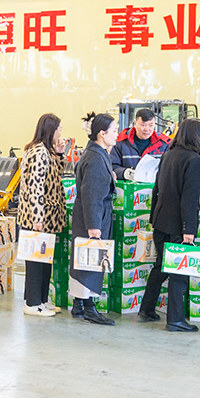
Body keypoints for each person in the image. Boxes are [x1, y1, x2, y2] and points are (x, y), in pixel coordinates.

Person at [140, 119, 200, 333]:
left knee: (161, 266)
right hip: (179, 224)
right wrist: (189, 229)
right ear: (195, 136)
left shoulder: (168, 155)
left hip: (161, 220)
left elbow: (156, 189)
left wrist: (153, 218)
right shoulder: (194, 159)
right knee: (179, 272)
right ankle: (175, 319)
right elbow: (190, 197)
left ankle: (146, 309)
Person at [69, 112, 119, 326]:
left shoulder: (95, 153)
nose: (117, 135)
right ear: (102, 134)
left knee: (84, 260)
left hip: (89, 215)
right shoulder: (96, 158)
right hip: (92, 217)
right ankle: (89, 308)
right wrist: (94, 226)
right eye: (114, 131)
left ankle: (79, 305)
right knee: (90, 261)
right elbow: (92, 194)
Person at [19, 113, 70, 317]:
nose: (61, 132)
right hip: (37, 217)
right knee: (35, 262)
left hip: (48, 217)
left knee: (44, 260)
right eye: (59, 129)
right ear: (51, 130)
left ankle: (41, 300)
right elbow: (36, 186)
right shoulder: (38, 152)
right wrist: (37, 217)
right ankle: (32, 304)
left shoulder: (47, 151)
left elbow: (54, 177)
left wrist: (59, 154)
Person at [110, 108, 171, 181]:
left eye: (150, 125)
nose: (147, 129)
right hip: (128, 187)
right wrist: (124, 173)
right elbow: (111, 167)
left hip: (154, 187)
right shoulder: (121, 143)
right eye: (143, 125)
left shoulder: (164, 144)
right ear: (135, 124)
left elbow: (170, 169)